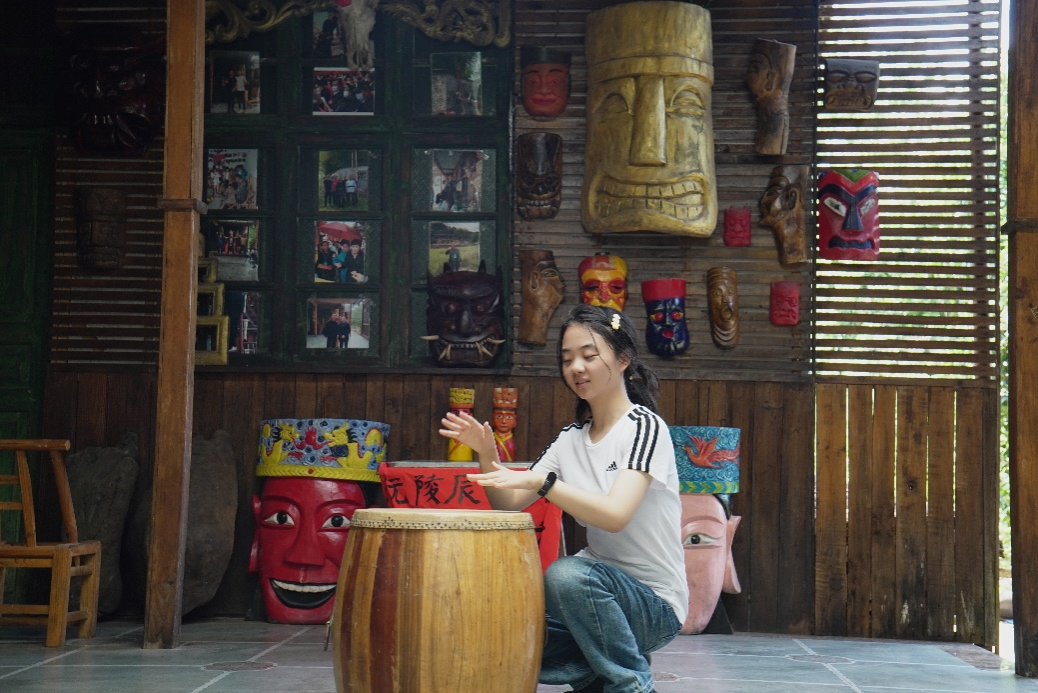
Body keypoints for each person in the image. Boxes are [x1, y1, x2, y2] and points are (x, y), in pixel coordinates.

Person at [439, 305, 686, 693]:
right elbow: (507, 505)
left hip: (654, 606)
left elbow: (615, 516)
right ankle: (601, 675)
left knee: (567, 574)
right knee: (504, 626)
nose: (576, 368)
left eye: (589, 355)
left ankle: (631, 684)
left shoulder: (644, 428)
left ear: (623, 359)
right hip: (591, 602)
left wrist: (545, 483)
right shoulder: (571, 438)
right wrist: (487, 453)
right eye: (567, 359)